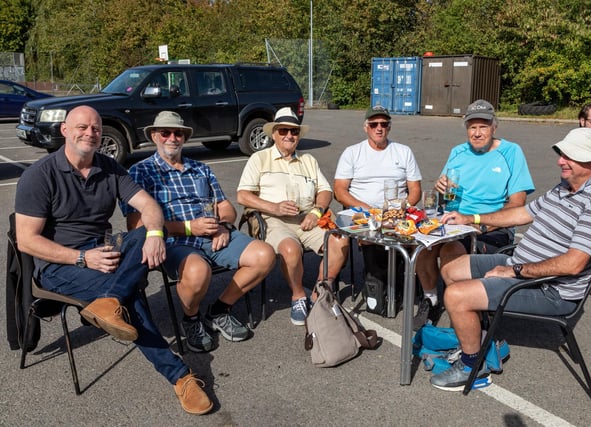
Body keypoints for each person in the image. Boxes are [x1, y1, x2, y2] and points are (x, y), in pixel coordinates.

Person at [14, 106, 213, 415]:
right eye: (82, 127)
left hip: (104, 252)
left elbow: (148, 206)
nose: (89, 133)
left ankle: (108, 301)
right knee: (131, 298)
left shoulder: (110, 168)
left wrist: (157, 234)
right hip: (59, 265)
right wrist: (82, 258)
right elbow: (27, 240)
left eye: (95, 128)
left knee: (141, 236)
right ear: (65, 130)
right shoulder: (39, 175)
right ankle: (181, 377)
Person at [430, 127, 591, 391]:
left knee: (456, 296)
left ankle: (474, 366)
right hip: (521, 266)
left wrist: (515, 271)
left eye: (569, 156)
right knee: (452, 267)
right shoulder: (565, 188)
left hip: (552, 290)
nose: (560, 161)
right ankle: (479, 336)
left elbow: (573, 264)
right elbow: (522, 214)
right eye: (562, 154)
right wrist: (471, 219)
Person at [121, 111, 276, 348]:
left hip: (213, 235)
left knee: (265, 255)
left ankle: (219, 310)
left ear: (184, 138)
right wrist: (188, 227)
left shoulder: (200, 169)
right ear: (154, 136)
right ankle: (191, 318)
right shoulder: (140, 172)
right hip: (172, 240)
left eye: (179, 133)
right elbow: (136, 226)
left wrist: (224, 225)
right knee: (197, 271)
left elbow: (225, 206)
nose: (172, 138)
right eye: (166, 132)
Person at [414, 99, 535, 330]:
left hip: (491, 225)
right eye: (472, 127)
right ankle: (430, 299)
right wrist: (441, 190)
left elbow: (518, 205)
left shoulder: (511, 152)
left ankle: (464, 313)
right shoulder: (458, 152)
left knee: (452, 250)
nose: (477, 133)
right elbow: (445, 199)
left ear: (494, 127)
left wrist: (480, 223)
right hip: (453, 220)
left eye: (483, 126)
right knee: (423, 243)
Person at [236, 107, 350, 325]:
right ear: (274, 134)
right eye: (284, 131)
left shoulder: (308, 160)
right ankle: (298, 295)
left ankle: (320, 290)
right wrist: (273, 207)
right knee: (290, 248)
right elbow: (242, 195)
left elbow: (325, 190)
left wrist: (317, 212)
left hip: (307, 218)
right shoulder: (260, 158)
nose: (289, 135)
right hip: (272, 219)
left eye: (294, 131)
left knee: (341, 240)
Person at [334, 105, 422, 315]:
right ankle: (380, 289)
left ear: (389, 127)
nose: (379, 128)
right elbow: (339, 191)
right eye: (374, 124)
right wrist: (368, 210)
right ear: (366, 127)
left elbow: (415, 190)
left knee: (416, 236)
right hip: (363, 213)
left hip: (396, 212)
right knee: (374, 239)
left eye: (384, 124)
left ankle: (407, 289)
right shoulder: (352, 153)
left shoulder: (403, 151)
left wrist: (401, 208)